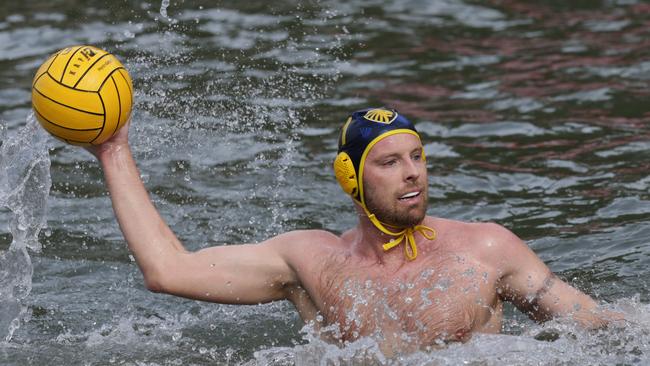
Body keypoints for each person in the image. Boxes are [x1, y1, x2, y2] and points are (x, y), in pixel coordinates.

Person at [87, 107, 615, 355]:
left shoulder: (486, 247)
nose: (412, 172)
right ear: (351, 179)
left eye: (416, 156)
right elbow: (168, 270)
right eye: (389, 162)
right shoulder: (310, 261)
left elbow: (595, 324)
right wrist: (113, 149)